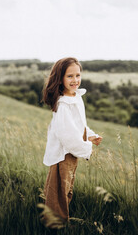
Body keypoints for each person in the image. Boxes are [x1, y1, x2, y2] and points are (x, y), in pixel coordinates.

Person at [41, 57, 102, 224]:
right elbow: (67, 136)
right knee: (59, 192)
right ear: (60, 78)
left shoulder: (75, 97)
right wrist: (87, 147)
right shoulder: (63, 105)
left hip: (71, 152)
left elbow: (79, 124)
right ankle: (55, 224)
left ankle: (58, 220)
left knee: (66, 188)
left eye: (78, 75)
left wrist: (91, 135)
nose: (75, 80)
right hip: (64, 154)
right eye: (70, 76)